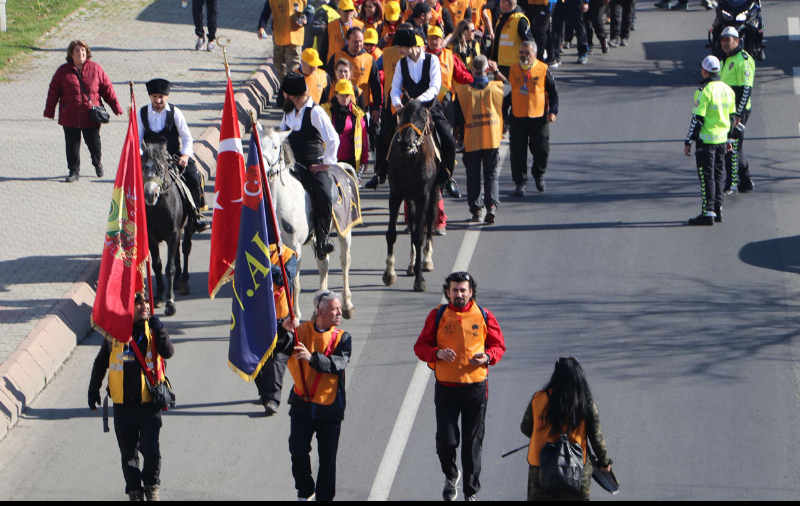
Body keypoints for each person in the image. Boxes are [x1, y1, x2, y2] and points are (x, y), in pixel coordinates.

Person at [413, 271, 506, 502]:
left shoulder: (484, 315)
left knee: (473, 442)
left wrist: (487, 357)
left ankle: (470, 492)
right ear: (447, 292)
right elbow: (420, 347)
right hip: (446, 388)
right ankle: (451, 474)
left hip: (475, 389)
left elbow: (499, 346)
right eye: (454, 290)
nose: (459, 294)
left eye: (463, 290)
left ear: (471, 292)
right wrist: (437, 353)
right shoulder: (438, 315)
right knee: (446, 440)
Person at [88, 293, 175, 501]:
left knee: (151, 451)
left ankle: (152, 486)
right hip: (123, 406)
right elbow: (101, 363)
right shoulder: (114, 334)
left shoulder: (153, 330)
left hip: (149, 404)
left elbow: (168, 352)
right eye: (139, 303)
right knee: (128, 455)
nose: (144, 306)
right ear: (129, 307)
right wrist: (93, 390)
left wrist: (161, 329)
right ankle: (134, 490)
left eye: (146, 302)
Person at [365, 28, 461, 199]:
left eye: (400, 47)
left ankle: (448, 176)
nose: (398, 50)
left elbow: (435, 87)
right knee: (383, 136)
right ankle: (379, 173)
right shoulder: (402, 63)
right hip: (409, 108)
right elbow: (395, 88)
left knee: (447, 136)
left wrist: (418, 101)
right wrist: (397, 103)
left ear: (410, 46)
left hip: (429, 105)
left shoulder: (432, 60)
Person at [283, 291, 352, 501]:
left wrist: (312, 358)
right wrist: (284, 330)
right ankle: (305, 491)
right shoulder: (301, 331)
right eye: (335, 309)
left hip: (329, 409)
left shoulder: (343, 337)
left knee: (327, 461)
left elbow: (337, 364)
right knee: (297, 450)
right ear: (320, 312)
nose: (340, 312)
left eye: (340, 308)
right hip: (302, 405)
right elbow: (280, 347)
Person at [520, 357, 613, 501]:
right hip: (576, 471)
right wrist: (604, 463)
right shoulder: (586, 404)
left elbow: (526, 428)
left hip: (541, 469)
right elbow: (596, 438)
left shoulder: (538, 399)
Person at [279, 72, 341, 258]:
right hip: (293, 165)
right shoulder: (289, 113)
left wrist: (326, 164)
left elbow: (333, 140)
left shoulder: (315, 112)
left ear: (292, 95)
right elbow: (280, 135)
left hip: (314, 165)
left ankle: (323, 238)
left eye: (284, 93)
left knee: (322, 192)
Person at [44, 40, 123, 183]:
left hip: (91, 115)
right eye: (77, 51)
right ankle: (74, 171)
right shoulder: (63, 71)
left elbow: (107, 89)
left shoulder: (96, 69)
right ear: (71, 54)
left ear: (87, 53)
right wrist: (50, 111)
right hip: (70, 115)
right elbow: (53, 91)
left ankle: (97, 163)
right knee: (72, 146)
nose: (80, 53)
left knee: (94, 143)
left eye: (83, 51)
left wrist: (116, 107)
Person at [137, 79, 209, 233]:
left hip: (174, 158)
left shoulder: (175, 113)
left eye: (161, 96)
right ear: (150, 97)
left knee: (194, 177)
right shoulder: (142, 113)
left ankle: (196, 215)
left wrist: (185, 155)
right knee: (130, 181)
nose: (158, 100)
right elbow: (136, 139)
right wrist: (140, 157)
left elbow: (187, 138)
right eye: (155, 96)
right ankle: (131, 221)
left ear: (167, 96)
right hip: (150, 159)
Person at [454, 56, 507, 223]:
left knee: (473, 175)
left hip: (471, 139)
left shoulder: (463, 91)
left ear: (471, 71)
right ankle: (491, 206)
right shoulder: (496, 87)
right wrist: (496, 71)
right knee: (491, 174)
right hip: (491, 138)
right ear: (486, 70)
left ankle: (476, 210)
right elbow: (509, 86)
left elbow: (457, 119)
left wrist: (457, 135)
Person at [684, 56, 735, 226]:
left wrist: (688, 140)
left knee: (707, 177)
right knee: (719, 175)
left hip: (706, 142)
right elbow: (732, 118)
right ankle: (718, 210)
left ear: (705, 71)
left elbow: (697, 119)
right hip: (722, 140)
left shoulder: (703, 91)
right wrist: (729, 139)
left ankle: (708, 213)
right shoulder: (728, 90)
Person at [505, 41, 558, 196]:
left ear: (534, 54)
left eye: (527, 53)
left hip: (538, 117)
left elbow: (553, 94)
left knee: (541, 150)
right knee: (517, 152)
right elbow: (509, 94)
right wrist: (503, 113)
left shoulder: (543, 69)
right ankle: (520, 182)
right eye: (521, 52)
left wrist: (553, 112)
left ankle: (538, 174)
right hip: (518, 117)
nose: (523, 55)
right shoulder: (513, 69)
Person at [255, 244, 298, 415]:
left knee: (276, 359)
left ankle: (272, 398)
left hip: (281, 319)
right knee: (256, 360)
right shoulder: (251, 253)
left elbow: (284, 280)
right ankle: (265, 390)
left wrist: (265, 263)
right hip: (257, 317)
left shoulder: (288, 255)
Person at [718, 27, 756, 194]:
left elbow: (746, 89)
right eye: (723, 40)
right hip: (728, 110)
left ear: (737, 40)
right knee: (735, 146)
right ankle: (745, 180)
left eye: (729, 39)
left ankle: (731, 182)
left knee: (731, 145)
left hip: (738, 112)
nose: (725, 43)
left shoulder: (744, 60)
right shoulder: (727, 58)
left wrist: (739, 114)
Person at [488, 0, 533, 128]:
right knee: (501, 101)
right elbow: (497, 43)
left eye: (501, 2)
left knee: (514, 99)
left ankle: (515, 126)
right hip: (500, 67)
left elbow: (529, 42)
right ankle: (503, 126)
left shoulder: (520, 20)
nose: (499, 5)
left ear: (506, 4)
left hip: (514, 68)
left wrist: (526, 64)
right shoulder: (502, 18)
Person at [325, 26, 383, 124]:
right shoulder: (337, 57)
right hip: (337, 105)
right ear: (347, 40)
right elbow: (327, 80)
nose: (359, 44)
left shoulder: (369, 59)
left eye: (361, 41)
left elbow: (375, 84)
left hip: (360, 106)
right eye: (355, 42)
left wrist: (376, 108)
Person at [258, 1, 311, 108]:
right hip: (279, 37)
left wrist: (306, 20)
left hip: (294, 39)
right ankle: (284, 92)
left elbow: (310, 11)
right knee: (280, 67)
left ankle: (293, 98)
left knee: (293, 69)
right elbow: (266, 12)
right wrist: (261, 27)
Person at [321, 79, 370, 173]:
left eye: (347, 95)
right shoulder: (325, 111)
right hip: (329, 162)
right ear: (336, 94)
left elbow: (364, 139)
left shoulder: (358, 114)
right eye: (342, 95)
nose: (345, 98)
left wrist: (364, 159)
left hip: (350, 162)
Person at [319, 0, 365, 68]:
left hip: (354, 65)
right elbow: (324, 49)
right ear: (339, 11)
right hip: (334, 65)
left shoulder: (360, 25)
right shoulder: (330, 26)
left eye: (350, 10)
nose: (348, 13)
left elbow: (364, 48)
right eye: (345, 11)